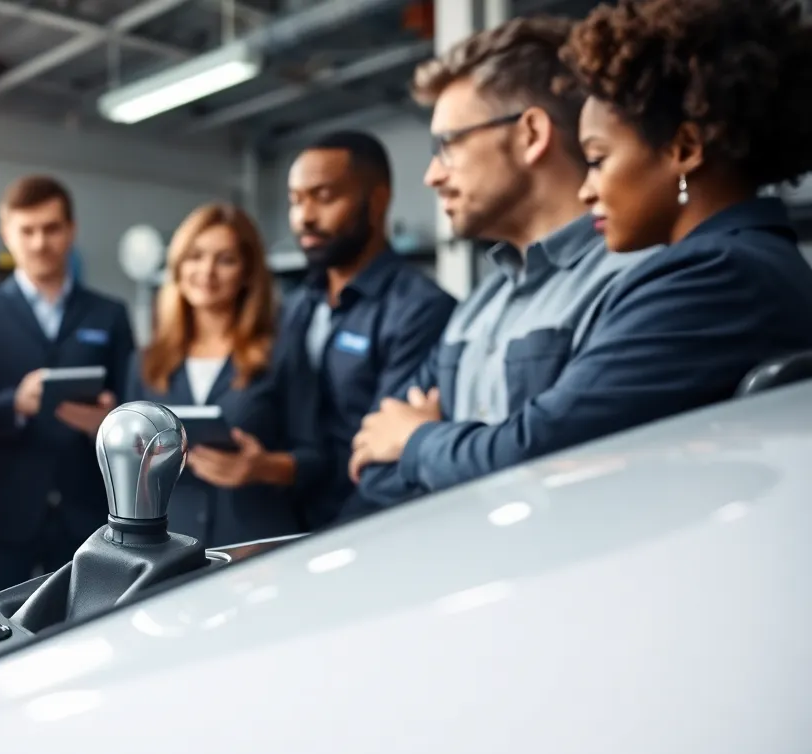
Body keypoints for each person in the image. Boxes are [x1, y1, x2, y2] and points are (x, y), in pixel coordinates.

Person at [350, 2, 812, 503]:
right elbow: (376, 463)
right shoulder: (727, 265)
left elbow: (538, 456)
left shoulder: (716, 276)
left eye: (598, 160)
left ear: (683, 149)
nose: (588, 191)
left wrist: (417, 440)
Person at [0, 175, 135, 603]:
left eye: (51, 229)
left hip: (86, 516)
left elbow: (133, 407)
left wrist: (104, 422)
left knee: (84, 641)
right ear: (7, 235)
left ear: (71, 230)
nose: (39, 243)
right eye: (26, 231)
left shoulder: (109, 314)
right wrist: (13, 403)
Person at [277, 131, 456, 530]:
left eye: (323, 197)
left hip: (362, 530)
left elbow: (385, 454)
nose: (304, 216)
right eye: (295, 199)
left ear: (376, 201)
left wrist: (327, 548)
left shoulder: (420, 309)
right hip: (282, 524)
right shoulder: (295, 306)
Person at [124, 202, 324, 546]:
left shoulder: (281, 353)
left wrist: (260, 467)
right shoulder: (146, 361)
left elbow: (317, 459)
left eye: (225, 259)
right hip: (169, 547)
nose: (207, 271)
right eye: (195, 256)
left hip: (256, 545)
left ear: (247, 272)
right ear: (178, 265)